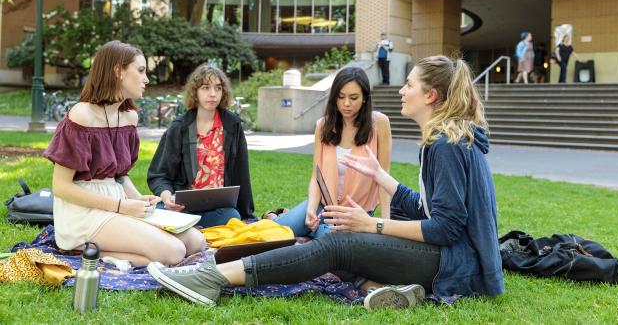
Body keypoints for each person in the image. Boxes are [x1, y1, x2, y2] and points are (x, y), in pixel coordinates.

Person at [147, 55, 504, 309]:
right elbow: (429, 210)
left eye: (409, 84)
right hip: (448, 257)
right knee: (336, 236)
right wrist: (384, 179)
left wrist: (375, 224)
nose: (401, 90)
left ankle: (213, 277)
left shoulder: (447, 146)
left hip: (456, 266)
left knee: (337, 245)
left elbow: (447, 227)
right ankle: (381, 288)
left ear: (431, 96)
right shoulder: (443, 141)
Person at [44, 41, 205, 267]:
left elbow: (120, 175)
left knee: (196, 242)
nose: (146, 79)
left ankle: (104, 252)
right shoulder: (81, 116)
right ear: (118, 71)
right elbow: (61, 187)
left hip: (118, 202)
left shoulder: (129, 117)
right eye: (140, 71)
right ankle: (81, 247)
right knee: (175, 251)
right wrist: (121, 206)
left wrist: (137, 198)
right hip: (83, 213)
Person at [274, 67, 392, 238]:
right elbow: (317, 176)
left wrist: (384, 223)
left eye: (354, 98)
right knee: (271, 235)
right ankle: (279, 218)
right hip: (323, 207)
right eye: (341, 97)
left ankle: (311, 228)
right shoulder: (323, 125)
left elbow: (383, 177)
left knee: (332, 245)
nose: (346, 104)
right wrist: (311, 210)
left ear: (365, 98)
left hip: (355, 216)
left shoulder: (379, 123)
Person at [147, 63, 255, 227]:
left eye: (218, 88)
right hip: (182, 208)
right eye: (206, 88)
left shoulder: (233, 125)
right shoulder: (179, 127)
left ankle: (188, 227)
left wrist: (247, 215)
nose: (213, 94)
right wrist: (167, 196)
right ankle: (187, 224)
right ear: (195, 92)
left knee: (232, 216)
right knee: (162, 210)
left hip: (219, 209)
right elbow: (158, 175)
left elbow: (242, 172)